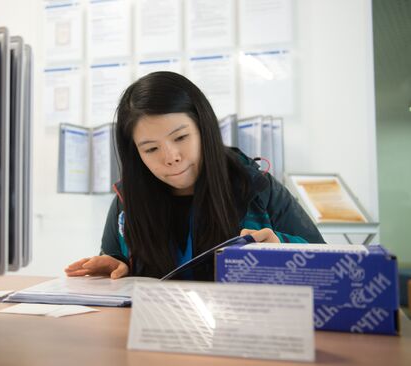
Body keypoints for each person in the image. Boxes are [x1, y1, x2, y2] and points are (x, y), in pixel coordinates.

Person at [65, 71, 324, 281]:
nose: (171, 156)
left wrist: (281, 246)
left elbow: (324, 260)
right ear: (136, 154)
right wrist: (116, 265)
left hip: (240, 334)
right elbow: (115, 261)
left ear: (204, 130)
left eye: (181, 137)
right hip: (152, 335)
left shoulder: (256, 187)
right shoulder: (128, 202)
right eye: (151, 149)